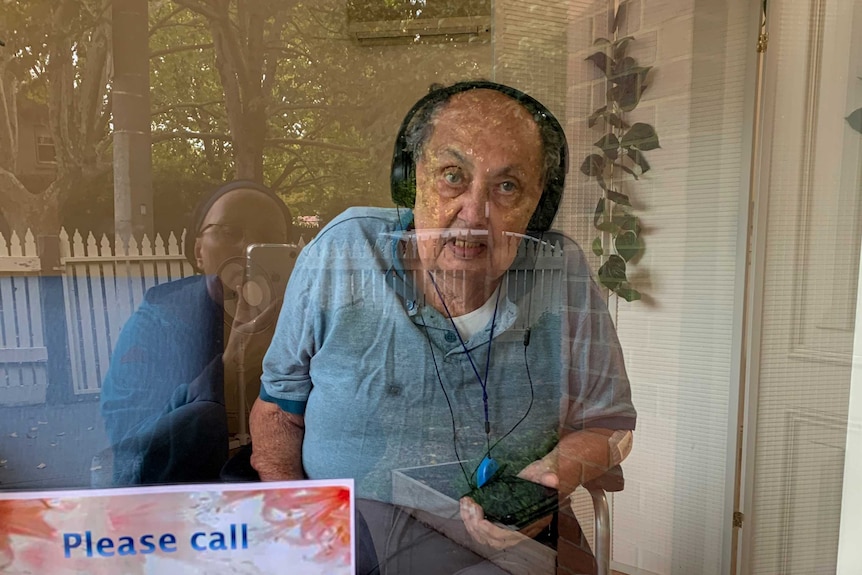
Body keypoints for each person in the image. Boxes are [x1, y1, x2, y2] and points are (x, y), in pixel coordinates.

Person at [250, 81, 637, 574]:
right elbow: (278, 412)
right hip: (349, 538)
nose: (474, 215)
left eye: (507, 186)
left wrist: (547, 482)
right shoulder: (343, 255)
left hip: (503, 549)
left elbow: (608, 424)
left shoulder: (561, 275)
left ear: (537, 205)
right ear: (411, 180)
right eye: (453, 176)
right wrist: (295, 531)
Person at [99, 180, 294, 486]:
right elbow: (133, 454)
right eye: (230, 232)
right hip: (189, 507)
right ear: (198, 250)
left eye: (269, 239)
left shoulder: (305, 320)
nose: (247, 247)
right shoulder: (156, 324)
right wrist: (230, 371)